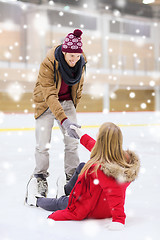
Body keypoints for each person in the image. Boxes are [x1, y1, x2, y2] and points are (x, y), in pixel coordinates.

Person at [26, 122, 140, 230]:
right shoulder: (121, 157)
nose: (96, 134)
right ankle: (66, 189)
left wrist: (118, 220)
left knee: (60, 202)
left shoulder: (103, 169)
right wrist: (80, 134)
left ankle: (35, 200)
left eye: (98, 133)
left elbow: (115, 193)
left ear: (101, 140)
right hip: (103, 204)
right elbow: (95, 147)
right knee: (82, 166)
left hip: (92, 208)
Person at [27, 29, 87, 198]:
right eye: (71, 56)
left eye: (77, 56)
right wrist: (64, 119)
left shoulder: (82, 62)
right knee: (43, 144)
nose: (74, 60)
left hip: (67, 102)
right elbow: (49, 94)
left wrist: (71, 112)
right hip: (46, 103)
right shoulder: (49, 62)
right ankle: (40, 177)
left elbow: (79, 89)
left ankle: (72, 178)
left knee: (72, 142)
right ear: (64, 51)